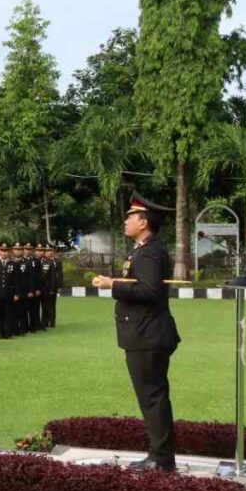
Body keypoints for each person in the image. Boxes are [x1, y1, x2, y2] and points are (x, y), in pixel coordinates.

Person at [92, 195, 179, 471]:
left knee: (153, 397)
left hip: (148, 335)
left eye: (131, 216)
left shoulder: (150, 251)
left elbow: (150, 291)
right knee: (151, 396)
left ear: (143, 222)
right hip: (143, 333)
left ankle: (161, 459)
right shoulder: (142, 249)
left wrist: (112, 284)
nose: (126, 221)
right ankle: (159, 455)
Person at [40, 244, 60, 329]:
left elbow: (56, 276)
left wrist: (56, 286)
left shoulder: (54, 262)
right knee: (44, 305)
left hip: (50, 287)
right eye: (46, 251)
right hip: (42, 287)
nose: (48, 252)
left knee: (51, 305)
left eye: (49, 250)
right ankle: (44, 322)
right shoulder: (41, 261)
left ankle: (51, 321)